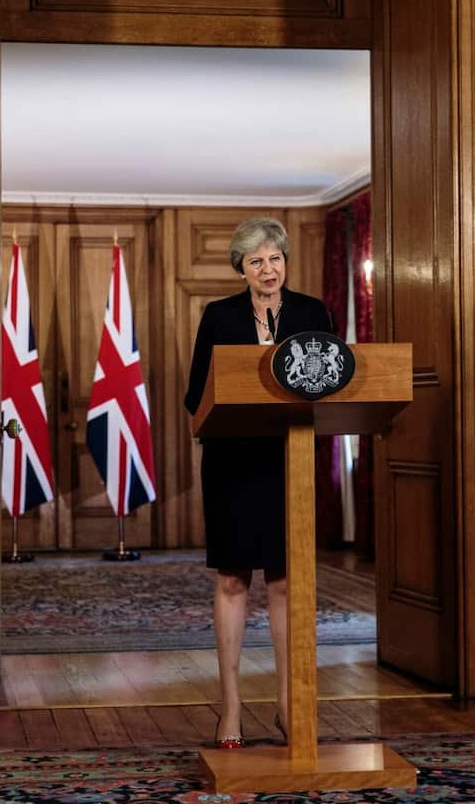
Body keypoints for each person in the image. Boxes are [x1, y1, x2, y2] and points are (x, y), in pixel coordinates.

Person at [183, 215, 334, 748]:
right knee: (232, 580)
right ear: (241, 269)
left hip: (288, 462)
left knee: (284, 582)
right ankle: (230, 709)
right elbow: (195, 395)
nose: (268, 269)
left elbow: (333, 382)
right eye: (256, 261)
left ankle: (289, 706)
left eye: (275, 258)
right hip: (233, 463)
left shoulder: (313, 312)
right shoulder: (219, 316)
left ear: (285, 261)